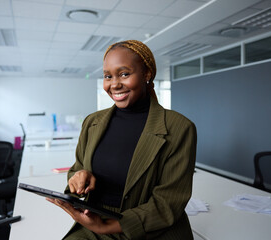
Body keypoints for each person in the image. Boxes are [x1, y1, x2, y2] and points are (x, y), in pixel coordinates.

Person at [47, 40, 197, 239]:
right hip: (94, 221)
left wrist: (105, 226)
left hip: (148, 230)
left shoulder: (179, 128)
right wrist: (78, 177)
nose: (114, 84)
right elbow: (77, 168)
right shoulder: (92, 122)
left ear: (147, 74)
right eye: (108, 76)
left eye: (124, 74)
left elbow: (168, 204)